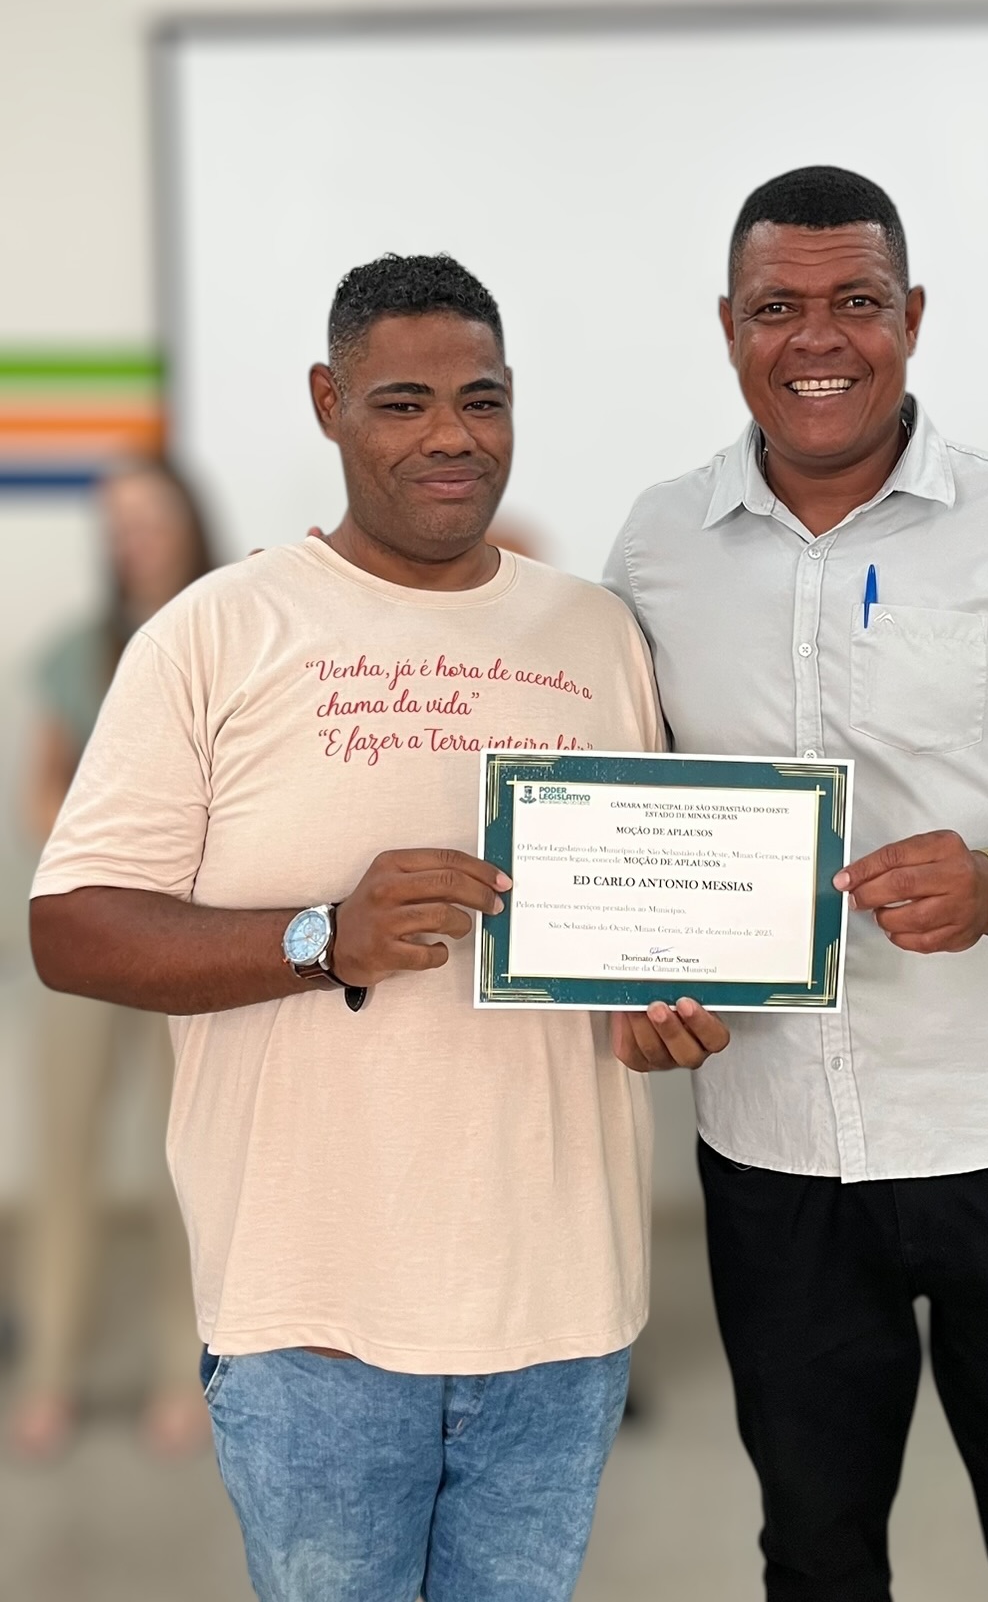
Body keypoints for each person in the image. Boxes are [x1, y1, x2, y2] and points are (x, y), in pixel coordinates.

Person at [29, 254, 728, 1602]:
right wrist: (320, 940)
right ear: (327, 402)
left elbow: (641, 922)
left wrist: (659, 1017)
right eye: (403, 402)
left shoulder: (598, 633)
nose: (451, 435)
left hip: (562, 1309)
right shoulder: (213, 633)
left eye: (482, 400)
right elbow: (71, 930)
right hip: (311, 1321)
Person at [604, 166, 988, 1602]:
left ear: (912, 316)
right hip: (776, 1154)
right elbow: (628, 823)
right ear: (729, 327)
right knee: (813, 1561)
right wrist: (631, 978)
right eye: (778, 307)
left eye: (856, 300)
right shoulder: (657, 545)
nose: (817, 337)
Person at [8, 457, 214, 1461]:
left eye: (148, 516)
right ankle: (49, 1370)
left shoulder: (229, 634)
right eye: (116, 521)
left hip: (197, 941)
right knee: (65, 1158)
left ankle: (185, 1371)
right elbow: (41, 790)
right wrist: (106, 862)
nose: (131, 536)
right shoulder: (74, 655)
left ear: (187, 520)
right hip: (90, 941)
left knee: (191, 1160)